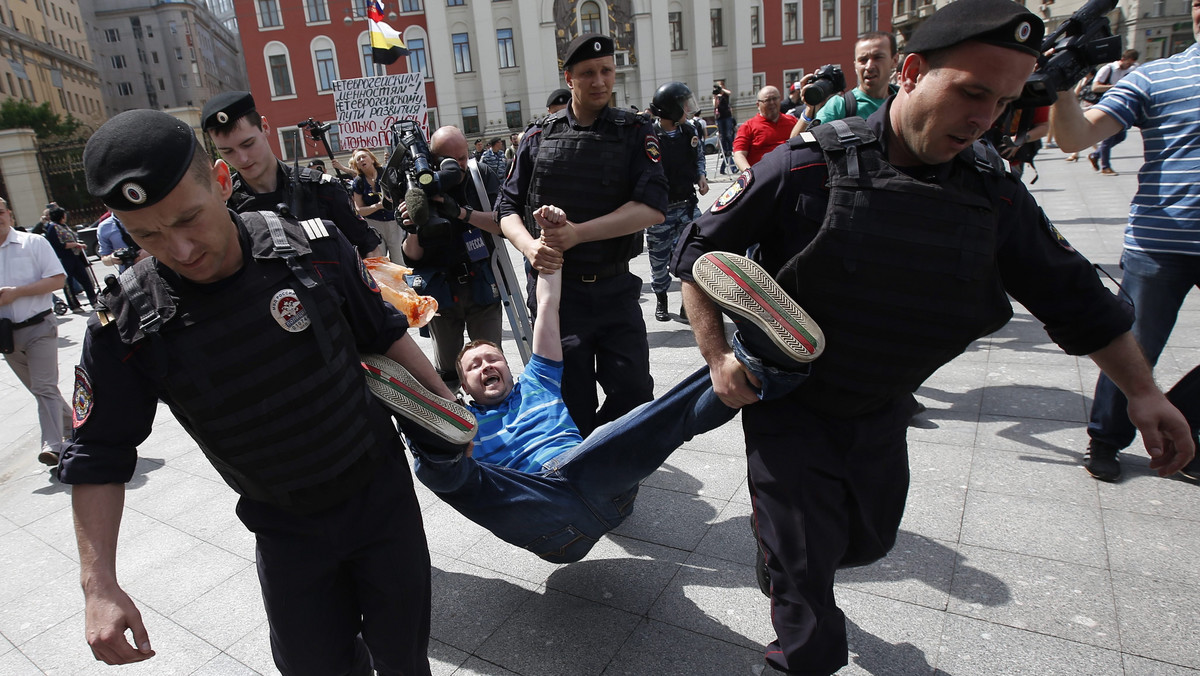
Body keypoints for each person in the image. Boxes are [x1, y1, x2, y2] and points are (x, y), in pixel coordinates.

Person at [670, 1, 1196, 673]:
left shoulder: (993, 194)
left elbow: (1079, 301)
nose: (985, 118)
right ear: (912, 71)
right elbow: (700, 254)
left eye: (1003, 102)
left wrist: (1145, 394)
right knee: (807, 594)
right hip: (790, 408)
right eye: (971, 92)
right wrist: (716, 357)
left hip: (886, 407)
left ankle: (784, 555)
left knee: (864, 540)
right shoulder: (806, 168)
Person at [61, 109, 475, 675]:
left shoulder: (313, 248)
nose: (180, 249)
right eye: (147, 235)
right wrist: (98, 584)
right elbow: (97, 456)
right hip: (284, 530)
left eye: (189, 219)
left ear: (222, 181)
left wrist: (449, 412)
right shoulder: (129, 321)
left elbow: (382, 334)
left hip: (381, 499)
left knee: (404, 659)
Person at [416, 205, 822, 562]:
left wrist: (550, 250)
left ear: (510, 367)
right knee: (444, 469)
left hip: (599, 481)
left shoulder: (537, 380)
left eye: (493, 358)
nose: (487, 365)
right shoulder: (462, 422)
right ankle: (417, 433)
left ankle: (766, 361)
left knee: (662, 417)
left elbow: (547, 307)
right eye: (475, 366)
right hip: (542, 519)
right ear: (464, 386)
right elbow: (439, 395)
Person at [496, 33, 668, 437]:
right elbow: (506, 208)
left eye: (606, 71)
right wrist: (530, 246)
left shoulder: (635, 132)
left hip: (614, 289)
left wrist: (577, 235)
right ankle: (585, 479)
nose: (600, 81)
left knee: (635, 391)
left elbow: (653, 208)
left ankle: (602, 459)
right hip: (557, 297)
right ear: (569, 78)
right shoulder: (539, 137)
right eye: (588, 73)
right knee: (570, 401)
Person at [1053, 15, 1199, 481]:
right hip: (1161, 245)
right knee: (1132, 346)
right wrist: (1060, 85)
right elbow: (1075, 137)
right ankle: (1106, 438)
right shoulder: (1156, 76)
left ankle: (1181, 421)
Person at [200, 91, 382, 259]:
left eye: (248, 144)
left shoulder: (322, 189)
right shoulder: (227, 208)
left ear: (264, 127)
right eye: (227, 151)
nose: (242, 158)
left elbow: (370, 248)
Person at [399, 125, 505, 390]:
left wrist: (460, 212)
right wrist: (414, 229)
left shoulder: (480, 175)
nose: (460, 165)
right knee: (448, 370)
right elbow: (412, 257)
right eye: (452, 159)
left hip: (482, 282)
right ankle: (456, 418)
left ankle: (497, 413)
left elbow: (502, 223)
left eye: (463, 156)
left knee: (491, 361)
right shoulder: (414, 185)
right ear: (433, 161)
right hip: (441, 294)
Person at [0, 196, 72, 467]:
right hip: (6, 336)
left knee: (43, 387)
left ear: (10, 214)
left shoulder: (33, 243)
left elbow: (58, 279)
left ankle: (52, 445)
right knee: (42, 390)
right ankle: (78, 427)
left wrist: (16, 294)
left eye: (0, 212)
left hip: (39, 327)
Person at [647, 81, 709, 322]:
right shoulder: (650, 136)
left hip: (687, 205)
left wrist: (701, 176)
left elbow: (699, 157)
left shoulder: (690, 131)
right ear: (671, 110)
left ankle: (688, 303)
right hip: (659, 211)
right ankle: (661, 300)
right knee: (659, 260)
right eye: (683, 106)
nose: (687, 110)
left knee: (693, 256)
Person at [790, 31, 901, 135]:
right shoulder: (840, 106)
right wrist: (809, 110)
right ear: (855, 66)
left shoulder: (905, 98)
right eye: (863, 60)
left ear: (895, 60)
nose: (869, 67)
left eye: (877, 57)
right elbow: (796, 146)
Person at [1085, 48, 1139, 176]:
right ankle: (1105, 167)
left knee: (1121, 136)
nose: (1129, 66)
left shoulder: (1131, 69)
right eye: (1128, 63)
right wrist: (1116, 87)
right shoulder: (1108, 69)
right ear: (1123, 59)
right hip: (1105, 105)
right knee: (1108, 137)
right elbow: (1095, 87)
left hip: (1120, 105)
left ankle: (1095, 155)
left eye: (1132, 64)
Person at [348, 148, 401, 261]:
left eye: (364, 156)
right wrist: (379, 206)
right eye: (358, 159)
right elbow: (359, 210)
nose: (362, 159)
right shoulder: (359, 182)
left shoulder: (386, 173)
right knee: (379, 262)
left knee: (399, 260)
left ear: (372, 159)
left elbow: (400, 192)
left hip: (394, 223)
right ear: (357, 165)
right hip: (374, 225)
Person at [42, 206, 97, 312]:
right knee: (68, 283)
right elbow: (58, 245)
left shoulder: (63, 226)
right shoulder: (53, 228)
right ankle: (74, 305)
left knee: (85, 279)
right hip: (64, 258)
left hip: (74, 256)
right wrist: (75, 244)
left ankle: (94, 300)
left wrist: (77, 244)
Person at [732, 86, 798, 172]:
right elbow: (739, 154)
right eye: (767, 100)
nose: (772, 103)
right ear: (758, 105)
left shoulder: (792, 121)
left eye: (775, 99)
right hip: (764, 177)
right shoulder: (748, 127)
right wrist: (750, 175)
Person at [712, 79, 737, 174]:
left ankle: (728, 150)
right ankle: (727, 151)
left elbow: (729, 93)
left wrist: (721, 89)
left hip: (727, 117)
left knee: (728, 135)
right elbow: (715, 106)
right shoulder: (716, 97)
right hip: (720, 118)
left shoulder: (725, 95)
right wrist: (715, 96)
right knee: (723, 135)